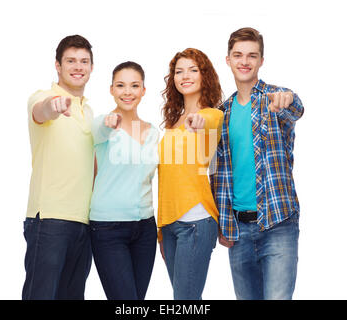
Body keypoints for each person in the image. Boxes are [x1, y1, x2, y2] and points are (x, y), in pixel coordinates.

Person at [210, 27, 304, 300]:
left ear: (261, 60)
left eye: (252, 55)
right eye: (238, 55)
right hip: (238, 230)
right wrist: (223, 224)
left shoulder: (274, 97)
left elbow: (295, 107)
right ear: (228, 60)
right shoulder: (221, 114)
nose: (245, 61)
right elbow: (218, 174)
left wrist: (287, 100)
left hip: (278, 224)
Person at [22, 35, 94, 300]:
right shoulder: (43, 97)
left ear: (91, 67)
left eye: (84, 61)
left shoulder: (89, 112)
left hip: (83, 223)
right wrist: (53, 106)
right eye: (71, 61)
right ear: (58, 66)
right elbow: (41, 112)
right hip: (50, 220)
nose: (78, 67)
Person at [158, 48, 224, 300]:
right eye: (179, 71)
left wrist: (197, 122)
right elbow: (166, 178)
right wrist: (161, 230)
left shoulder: (212, 114)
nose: (185, 76)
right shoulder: (172, 122)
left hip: (196, 222)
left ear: (204, 75)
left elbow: (206, 123)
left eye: (193, 70)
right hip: (171, 224)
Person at [90, 61, 159, 300]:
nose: (127, 92)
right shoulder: (101, 125)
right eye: (120, 85)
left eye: (134, 85)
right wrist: (108, 123)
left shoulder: (153, 132)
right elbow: (99, 129)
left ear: (143, 90)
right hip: (108, 227)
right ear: (111, 89)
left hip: (146, 228)